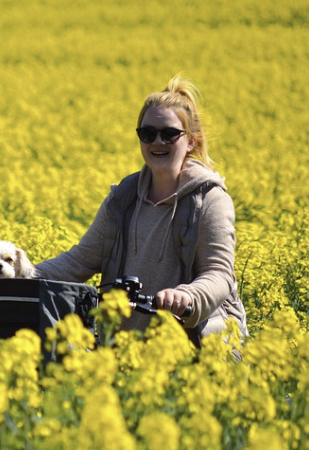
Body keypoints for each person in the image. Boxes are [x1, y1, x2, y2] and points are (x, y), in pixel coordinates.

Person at [34, 75, 247, 347]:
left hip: (197, 350)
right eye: (147, 134)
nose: (158, 142)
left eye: (170, 134)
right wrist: (19, 273)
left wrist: (188, 297)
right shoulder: (123, 198)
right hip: (126, 353)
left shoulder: (208, 198)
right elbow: (79, 261)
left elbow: (218, 273)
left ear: (191, 141)